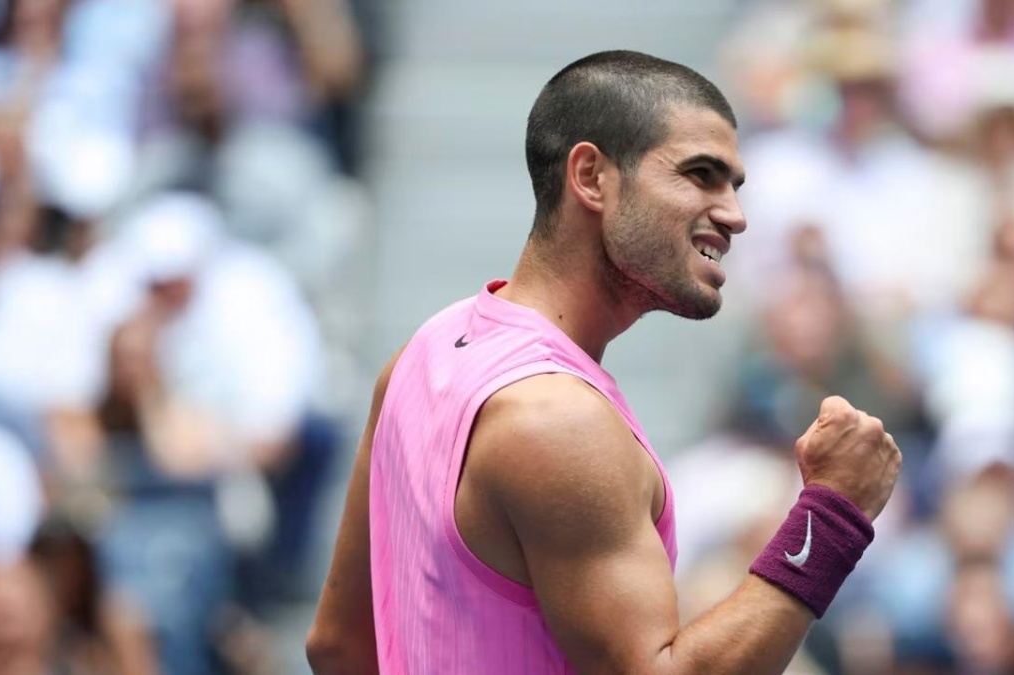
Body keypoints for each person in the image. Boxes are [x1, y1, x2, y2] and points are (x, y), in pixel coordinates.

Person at [306, 50, 902, 674]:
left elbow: (339, 647)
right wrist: (833, 514)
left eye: (734, 185)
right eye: (701, 175)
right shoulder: (559, 420)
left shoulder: (420, 355)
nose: (735, 215)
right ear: (591, 176)